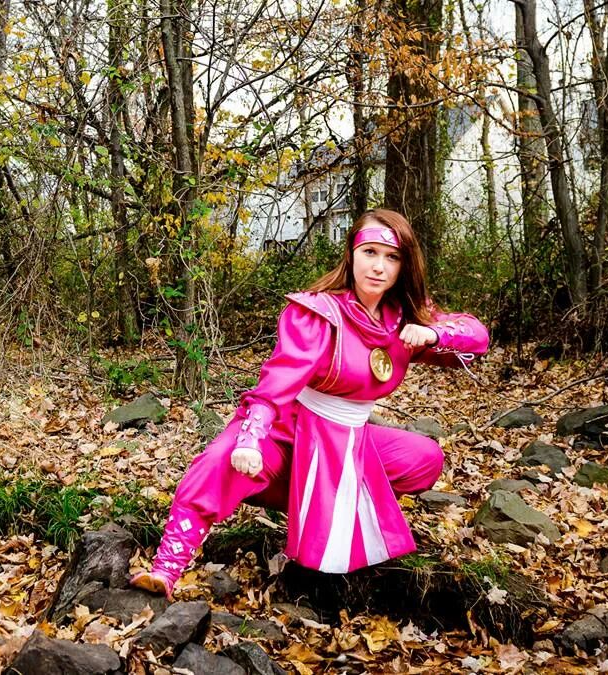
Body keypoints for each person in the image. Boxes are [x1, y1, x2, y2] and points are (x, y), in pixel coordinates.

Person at [130, 208, 489, 597]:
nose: (378, 266)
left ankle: (337, 507)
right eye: (369, 252)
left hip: (348, 441)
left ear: (404, 265)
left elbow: (477, 336)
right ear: (351, 254)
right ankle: (166, 568)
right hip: (290, 431)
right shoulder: (318, 313)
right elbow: (276, 384)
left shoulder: (404, 318)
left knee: (425, 457)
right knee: (220, 460)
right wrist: (250, 438)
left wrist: (435, 335)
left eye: (392, 257)